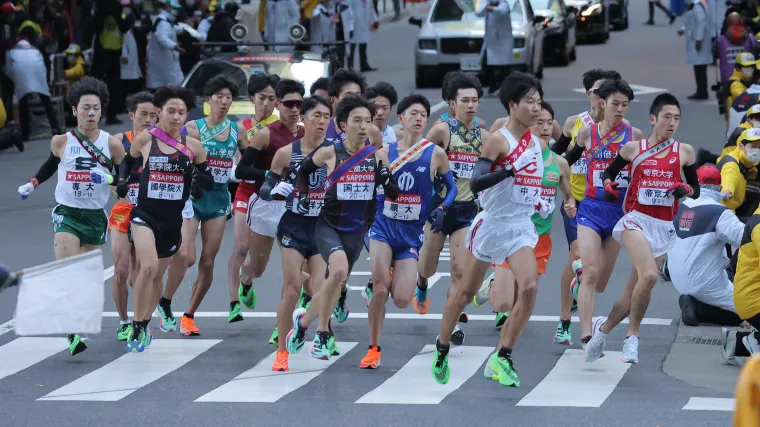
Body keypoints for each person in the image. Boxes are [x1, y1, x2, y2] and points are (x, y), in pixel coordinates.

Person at [431, 71, 545, 387]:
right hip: (492, 225)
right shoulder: (498, 140)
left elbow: (529, 183)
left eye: (538, 102)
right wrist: (508, 170)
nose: (536, 108)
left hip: (520, 227)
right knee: (465, 293)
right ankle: (441, 347)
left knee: (530, 287)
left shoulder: (534, 142)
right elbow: (478, 182)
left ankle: (501, 356)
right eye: (529, 102)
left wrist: (538, 200)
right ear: (512, 104)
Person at [583, 93, 698, 364]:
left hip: (662, 226)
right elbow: (609, 173)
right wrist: (610, 185)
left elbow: (695, 190)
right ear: (653, 119)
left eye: (676, 118)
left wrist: (685, 189)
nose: (671, 123)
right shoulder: (633, 149)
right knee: (649, 276)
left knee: (632, 293)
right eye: (666, 117)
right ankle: (632, 339)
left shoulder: (685, 152)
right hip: (635, 220)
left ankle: (603, 328)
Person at [16, 76, 125, 356]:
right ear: (74, 110)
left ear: (101, 111)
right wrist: (32, 183)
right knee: (69, 270)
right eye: (85, 107)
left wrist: (110, 177)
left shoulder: (112, 144)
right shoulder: (61, 141)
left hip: (95, 215)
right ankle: (73, 332)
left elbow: (125, 182)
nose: (91, 113)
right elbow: (49, 167)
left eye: (96, 108)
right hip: (66, 212)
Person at [285, 95, 398, 361]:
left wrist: (385, 179)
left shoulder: (379, 156)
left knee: (333, 284)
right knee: (338, 271)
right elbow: (302, 171)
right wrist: (301, 194)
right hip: (328, 226)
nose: (363, 127)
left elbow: (393, 193)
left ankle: (302, 325)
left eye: (368, 122)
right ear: (342, 125)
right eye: (356, 121)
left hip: (357, 232)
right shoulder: (329, 152)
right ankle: (323, 334)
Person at [362, 94, 456, 369]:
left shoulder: (435, 153)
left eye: (423, 115)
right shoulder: (385, 151)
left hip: (411, 233)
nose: (418, 119)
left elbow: (450, 188)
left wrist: (443, 209)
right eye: (412, 114)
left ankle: (394, 276)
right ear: (400, 119)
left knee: (402, 299)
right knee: (380, 288)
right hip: (382, 227)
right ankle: (373, 348)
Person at [117, 85, 213, 352]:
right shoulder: (146, 139)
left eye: (181, 112)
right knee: (146, 268)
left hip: (173, 221)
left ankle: (145, 320)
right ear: (159, 112)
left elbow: (208, 179)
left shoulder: (193, 147)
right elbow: (128, 161)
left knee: (157, 276)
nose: (176, 117)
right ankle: (137, 324)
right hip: (145, 214)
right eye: (171, 111)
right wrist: (123, 181)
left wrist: (195, 177)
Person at [474, 102, 576, 341]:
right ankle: (496, 289)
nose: (545, 127)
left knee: (525, 293)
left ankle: (506, 344)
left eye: (549, 123)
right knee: (502, 302)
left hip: (540, 237)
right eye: (539, 122)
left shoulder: (559, 164)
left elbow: (568, 195)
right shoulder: (513, 155)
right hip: (512, 232)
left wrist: (570, 204)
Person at [159, 75, 249, 335]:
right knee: (186, 256)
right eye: (219, 97)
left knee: (208, 263)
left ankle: (188, 316)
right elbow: (170, 149)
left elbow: (248, 160)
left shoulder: (237, 130)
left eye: (229, 98)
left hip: (219, 200)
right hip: (191, 198)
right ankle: (164, 300)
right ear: (208, 100)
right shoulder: (192, 128)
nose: (224, 102)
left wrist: (244, 173)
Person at [562, 79, 645, 356]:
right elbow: (564, 162)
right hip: (591, 209)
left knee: (599, 283)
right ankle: (586, 335)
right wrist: (567, 196)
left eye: (624, 105)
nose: (619, 109)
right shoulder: (587, 134)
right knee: (591, 273)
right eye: (615, 104)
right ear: (602, 103)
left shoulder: (634, 135)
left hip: (619, 214)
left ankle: (581, 277)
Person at [258, 96, 333, 371]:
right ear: (304, 117)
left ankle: (305, 325)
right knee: (291, 289)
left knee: (320, 287)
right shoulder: (287, 153)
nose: (322, 121)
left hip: (322, 228)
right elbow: (265, 188)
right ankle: (281, 352)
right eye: (317, 116)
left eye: (326, 116)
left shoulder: (335, 152)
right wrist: (275, 191)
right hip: (293, 226)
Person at [549, 69, 623, 340]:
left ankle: (580, 285)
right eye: (596, 91)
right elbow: (556, 157)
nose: (602, 98)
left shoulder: (622, 131)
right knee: (576, 253)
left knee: (597, 278)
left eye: (608, 93)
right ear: (589, 94)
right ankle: (565, 319)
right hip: (577, 202)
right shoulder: (574, 124)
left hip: (607, 206)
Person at [417, 71, 488, 345]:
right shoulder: (441, 130)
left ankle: (452, 324)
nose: (471, 105)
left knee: (460, 270)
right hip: (438, 208)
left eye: (475, 100)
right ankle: (421, 285)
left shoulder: (483, 133)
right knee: (427, 267)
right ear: (452, 103)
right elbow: (422, 162)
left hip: (466, 209)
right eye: (465, 100)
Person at [236, 78, 306, 343]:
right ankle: (246, 278)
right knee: (259, 266)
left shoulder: (305, 132)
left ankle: (283, 326)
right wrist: (270, 175)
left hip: (295, 208)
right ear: (278, 104)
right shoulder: (266, 134)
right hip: (265, 205)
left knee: (294, 271)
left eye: (299, 103)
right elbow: (241, 170)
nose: (294, 108)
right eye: (289, 103)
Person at [230, 73, 280, 324]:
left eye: (272, 99)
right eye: (262, 98)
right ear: (252, 99)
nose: (267, 104)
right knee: (240, 247)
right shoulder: (241, 127)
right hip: (246, 192)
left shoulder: (281, 128)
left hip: (274, 196)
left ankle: (248, 278)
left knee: (262, 263)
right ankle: (237, 296)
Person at [668, 165, 744, 329]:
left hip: (678, 280)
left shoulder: (678, 207)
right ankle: (698, 308)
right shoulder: (719, 212)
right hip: (705, 283)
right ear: (719, 186)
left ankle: (694, 301)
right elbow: (746, 239)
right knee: (748, 311)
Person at [108, 91, 158, 341]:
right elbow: (107, 175)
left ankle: (140, 316)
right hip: (123, 210)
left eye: (153, 115)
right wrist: (119, 188)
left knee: (141, 272)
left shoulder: (159, 142)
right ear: (131, 115)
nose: (148, 119)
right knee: (121, 270)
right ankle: (124, 321)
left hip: (148, 213)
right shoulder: (118, 140)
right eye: (143, 115)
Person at [718, 127, 760, 220]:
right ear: (741, 146)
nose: (757, 150)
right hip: (723, 214)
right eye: (753, 146)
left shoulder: (746, 160)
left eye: (759, 147)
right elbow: (729, 178)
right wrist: (727, 191)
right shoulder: (732, 165)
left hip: (735, 206)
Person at [474, 0, 512, 94]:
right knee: (485, 64)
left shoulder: (503, 4)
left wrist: (490, 8)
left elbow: (501, 11)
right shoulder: (486, 3)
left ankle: (505, 87)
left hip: (502, 41)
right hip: (490, 42)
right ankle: (493, 85)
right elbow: (478, 13)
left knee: (504, 67)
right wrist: (485, 5)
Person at [679, 0, 712, 100]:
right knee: (698, 66)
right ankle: (701, 90)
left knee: (700, 67)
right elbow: (691, 22)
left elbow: (701, 21)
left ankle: (702, 91)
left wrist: (698, 39)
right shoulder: (693, 6)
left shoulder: (696, 6)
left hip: (699, 40)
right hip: (695, 39)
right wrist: (683, 29)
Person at [365, 82, 402, 146]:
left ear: (390, 108)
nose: (380, 113)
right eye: (376, 107)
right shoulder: (360, 135)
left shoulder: (399, 136)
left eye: (385, 108)